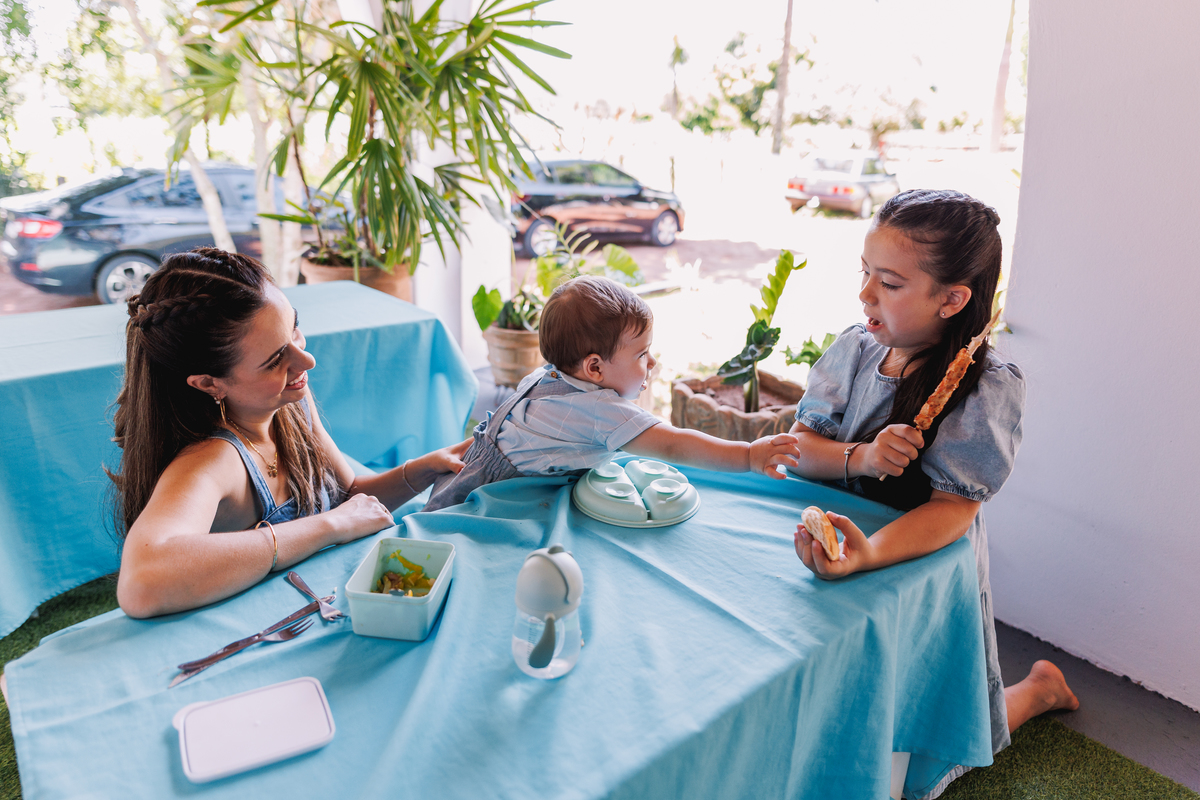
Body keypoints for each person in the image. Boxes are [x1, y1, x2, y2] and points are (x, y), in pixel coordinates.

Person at [788, 189, 1078, 797]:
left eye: (889, 283)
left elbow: (952, 511)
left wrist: (868, 554)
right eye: (864, 274)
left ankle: (1036, 691)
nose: (865, 294)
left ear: (952, 299)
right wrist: (862, 456)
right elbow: (800, 449)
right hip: (844, 540)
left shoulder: (986, 387)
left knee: (935, 726)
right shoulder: (855, 348)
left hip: (917, 558)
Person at [110, 247, 469, 618]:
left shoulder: (289, 403)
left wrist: (423, 470)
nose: (306, 360)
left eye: (294, 328)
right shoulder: (213, 461)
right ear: (208, 383)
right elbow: (141, 584)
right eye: (275, 359)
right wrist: (329, 526)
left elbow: (350, 497)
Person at [424, 275, 800, 511]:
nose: (651, 363)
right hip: (484, 504)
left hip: (459, 480)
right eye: (641, 354)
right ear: (594, 369)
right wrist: (749, 454)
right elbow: (674, 445)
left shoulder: (545, 375)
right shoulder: (600, 410)